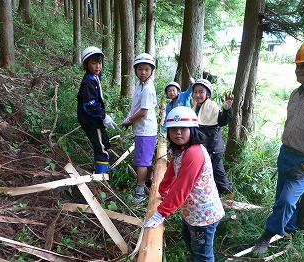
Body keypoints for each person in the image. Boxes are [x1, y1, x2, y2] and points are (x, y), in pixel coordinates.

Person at [253, 43, 304, 254]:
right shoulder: (295, 93)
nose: (298, 70)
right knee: (281, 197)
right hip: (286, 154)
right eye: (298, 65)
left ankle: (266, 236)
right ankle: (289, 231)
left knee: (286, 200)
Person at [144, 106, 224, 262]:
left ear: (192, 129)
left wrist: (161, 212)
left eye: (183, 128)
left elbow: (182, 186)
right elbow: (172, 170)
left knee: (203, 255)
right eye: (173, 129)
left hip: (203, 216)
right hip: (192, 212)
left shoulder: (194, 152)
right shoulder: (180, 149)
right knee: (192, 244)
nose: (178, 132)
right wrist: (163, 189)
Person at [121, 53, 157, 203]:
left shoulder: (148, 88)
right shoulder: (139, 84)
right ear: (135, 70)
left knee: (142, 161)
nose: (143, 72)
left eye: (147, 69)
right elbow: (136, 106)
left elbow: (143, 112)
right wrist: (129, 120)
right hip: (143, 129)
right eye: (140, 69)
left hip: (145, 130)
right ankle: (149, 181)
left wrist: (129, 120)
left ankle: (140, 194)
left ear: (151, 71)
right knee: (146, 159)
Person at [77, 46, 116, 174]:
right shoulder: (88, 82)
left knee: (105, 140)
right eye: (93, 63)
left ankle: (108, 166)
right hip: (90, 120)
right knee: (101, 147)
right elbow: (90, 105)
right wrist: (103, 116)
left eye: (99, 63)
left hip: (96, 118)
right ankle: (101, 178)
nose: (98, 66)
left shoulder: (96, 76)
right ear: (85, 64)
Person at [191, 79, 234, 197]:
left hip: (212, 147)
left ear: (208, 94)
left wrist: (227, 109)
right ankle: (227, 193)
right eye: (195, 92)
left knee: (208, 172)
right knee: (217, 171)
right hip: (207, 147)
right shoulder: (196, 107)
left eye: (201, 92)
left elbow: (222, 120)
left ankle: (209, 195)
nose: (197, 95)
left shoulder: (212, 106)